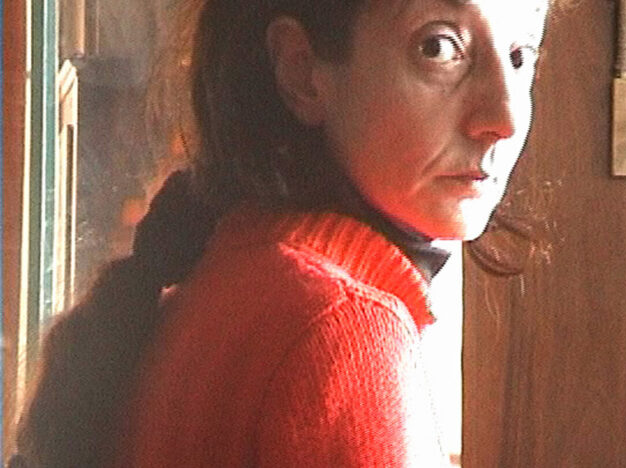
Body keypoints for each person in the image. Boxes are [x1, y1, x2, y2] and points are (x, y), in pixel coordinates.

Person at [13, 0, 549, 465]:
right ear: (301, 71)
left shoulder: (238, 275)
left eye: (520, 55)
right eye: (439, 48)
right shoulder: (339, 329)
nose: (503, 117)